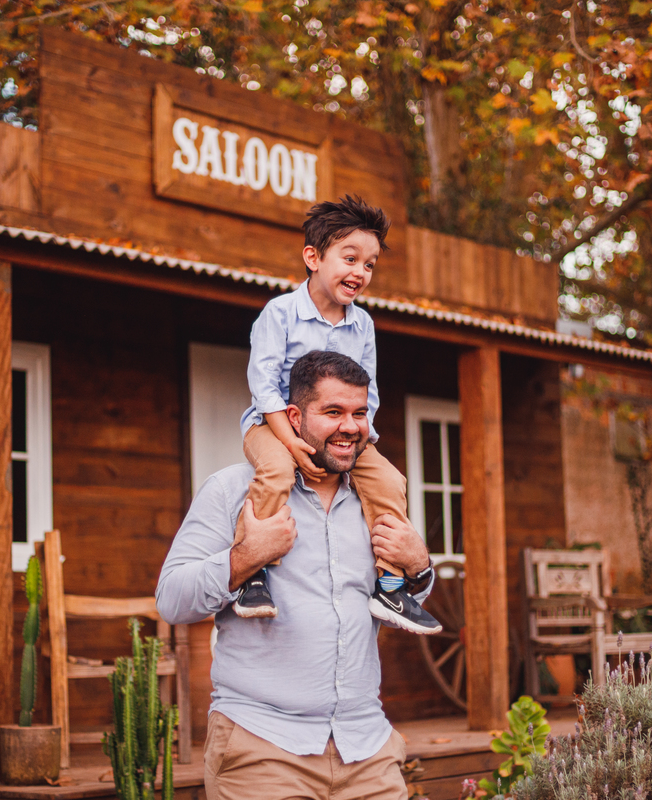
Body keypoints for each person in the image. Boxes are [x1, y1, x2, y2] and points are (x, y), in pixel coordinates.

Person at [156, 351, 438, 800]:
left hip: (367, 750)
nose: (350, 426)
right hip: (261, 749)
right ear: (293, 416)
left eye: (359, 413)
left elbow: (397, 604)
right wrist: (246, 557)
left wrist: (420, 564)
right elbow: (171, 599)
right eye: (333, 412)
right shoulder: (233, 490)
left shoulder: (380, 499)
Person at [230, 194, 440, 635]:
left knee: (390, 481)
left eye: (369, 265)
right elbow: (263, 384)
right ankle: (254, 573)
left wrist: (363, 442)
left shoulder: (362, 325)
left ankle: (390, 582)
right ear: (313, 257)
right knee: (274, 472)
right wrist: (290, 443)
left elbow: (371, 390)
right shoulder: (280, 314)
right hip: (270, 427)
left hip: (339, 431)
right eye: (350, 258)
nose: (359, 273)